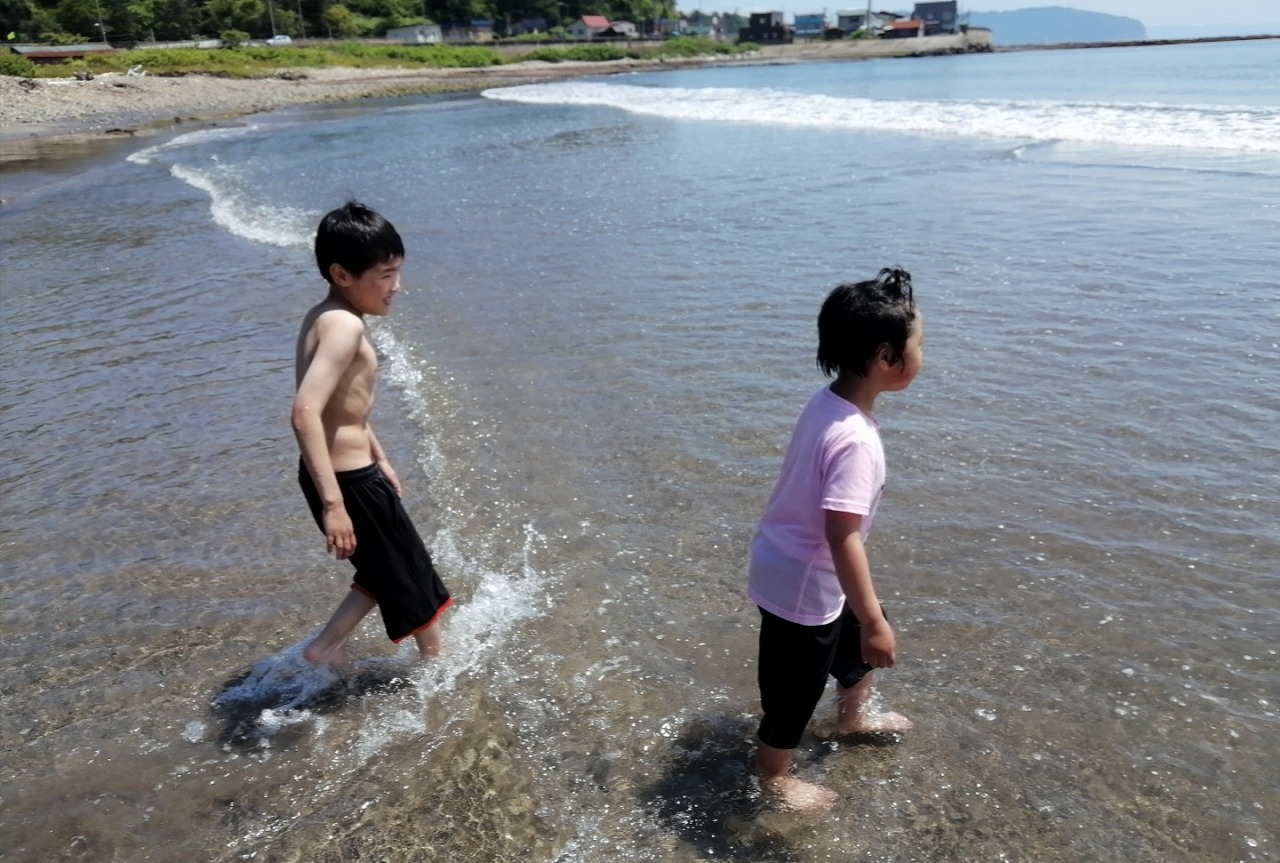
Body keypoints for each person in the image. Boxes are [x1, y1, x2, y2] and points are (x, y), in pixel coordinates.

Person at [748, 267, 923, 811]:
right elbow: (842, 535)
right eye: (920, 345)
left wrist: (868, 616)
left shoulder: (829, 403)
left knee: (856, 647)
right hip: (805, 583)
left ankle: (853, 717)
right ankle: (773, 777)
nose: (925, 355)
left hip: (799, 565)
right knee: (795, 689)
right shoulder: (856, 443)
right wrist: (874, 622)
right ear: (885, 359)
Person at [293, 201, 452, 668]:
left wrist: (379, 456)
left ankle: (328, 647)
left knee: (388, 568)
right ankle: (439, 667)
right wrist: (334, 505)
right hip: (347, 484)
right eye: (385, 275)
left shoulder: (325, 315)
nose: (396, 286)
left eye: (397, 272)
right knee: (410, 574)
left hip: (353, 475)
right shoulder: (343, 326)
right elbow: (305, 413)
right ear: (343, 275)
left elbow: (345, 410)